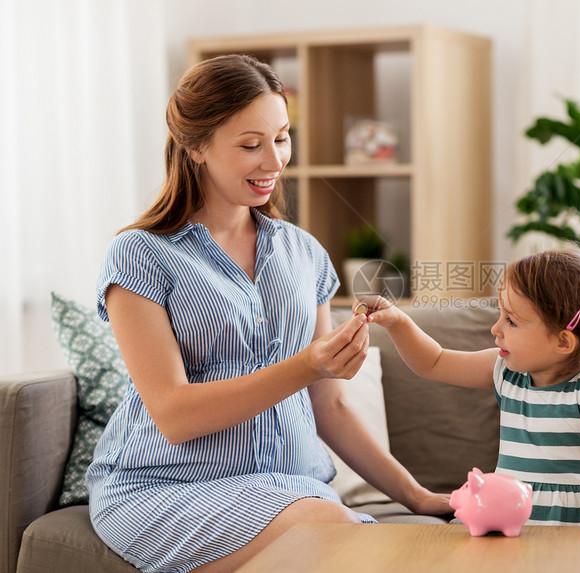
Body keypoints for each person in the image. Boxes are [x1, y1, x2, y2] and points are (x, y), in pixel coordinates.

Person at [86, 54, 450, 573]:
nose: (274, 161)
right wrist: (307, 366)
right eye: (250, 145)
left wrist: (419, 497)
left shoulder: (303, 253)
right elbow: (174, 415)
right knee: (338, 538)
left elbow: (333, 408)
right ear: (196, 147)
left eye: (281, 137)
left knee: (339, 534)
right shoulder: (141, 255)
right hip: (169, 485)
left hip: (293, 487)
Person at [362, 247, 580, 539]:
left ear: (564, 341)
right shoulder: (506, 370)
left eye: (511, 321)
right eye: (500, 315)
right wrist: (398, 323)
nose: (496, 329)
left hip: (577, 531)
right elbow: (434, 362)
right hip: (510, 527)